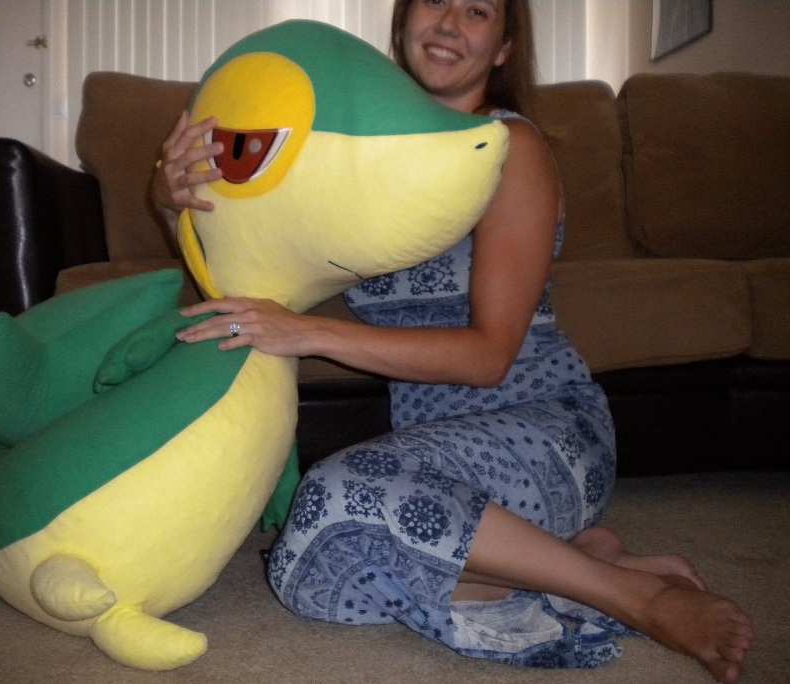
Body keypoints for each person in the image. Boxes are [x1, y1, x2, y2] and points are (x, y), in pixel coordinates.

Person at [151, 1, 754, 681]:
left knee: (337, 495)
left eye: (477, 10)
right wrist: (174, 203)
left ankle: (634, 596)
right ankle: (577, 561)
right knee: (304, 569)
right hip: (433, 463)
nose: (448, 24)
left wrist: (310, 333)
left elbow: (491, 356)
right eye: (435, 0)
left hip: (542, 432)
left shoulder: (509, 147)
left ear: (503, 47)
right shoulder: (364, 159)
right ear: (403, 19)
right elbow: (243, 286)